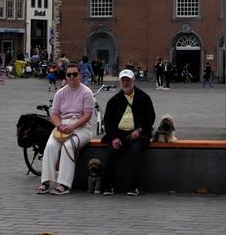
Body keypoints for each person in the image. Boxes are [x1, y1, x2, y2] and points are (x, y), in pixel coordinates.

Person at [35, 63, 95, 195]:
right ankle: (46, 181)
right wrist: (60, 126)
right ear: (66, 77)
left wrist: (72, 127)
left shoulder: (86, 92)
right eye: (69, 74)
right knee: (50, 146)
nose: (72, 77)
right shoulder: (60, 93)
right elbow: (55, 114)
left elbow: (87, 115)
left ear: (80, 75)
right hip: (62, 126)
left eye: (75, 74)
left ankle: (64, 184)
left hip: (82, 127)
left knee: (68, 146)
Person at [100, 68, 156, 196]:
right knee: (111, 153)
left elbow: (150, 117)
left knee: (135, 151)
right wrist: (114, 137)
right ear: (120, 82)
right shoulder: (114, 100)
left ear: (133, 81)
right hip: (119, 133)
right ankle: (108, 185)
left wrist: (139, 130)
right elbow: (108, 121)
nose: (126, 83)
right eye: (123, 80)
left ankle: (134, 186)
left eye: (128, 80)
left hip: (137, 134)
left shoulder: (143, 97)